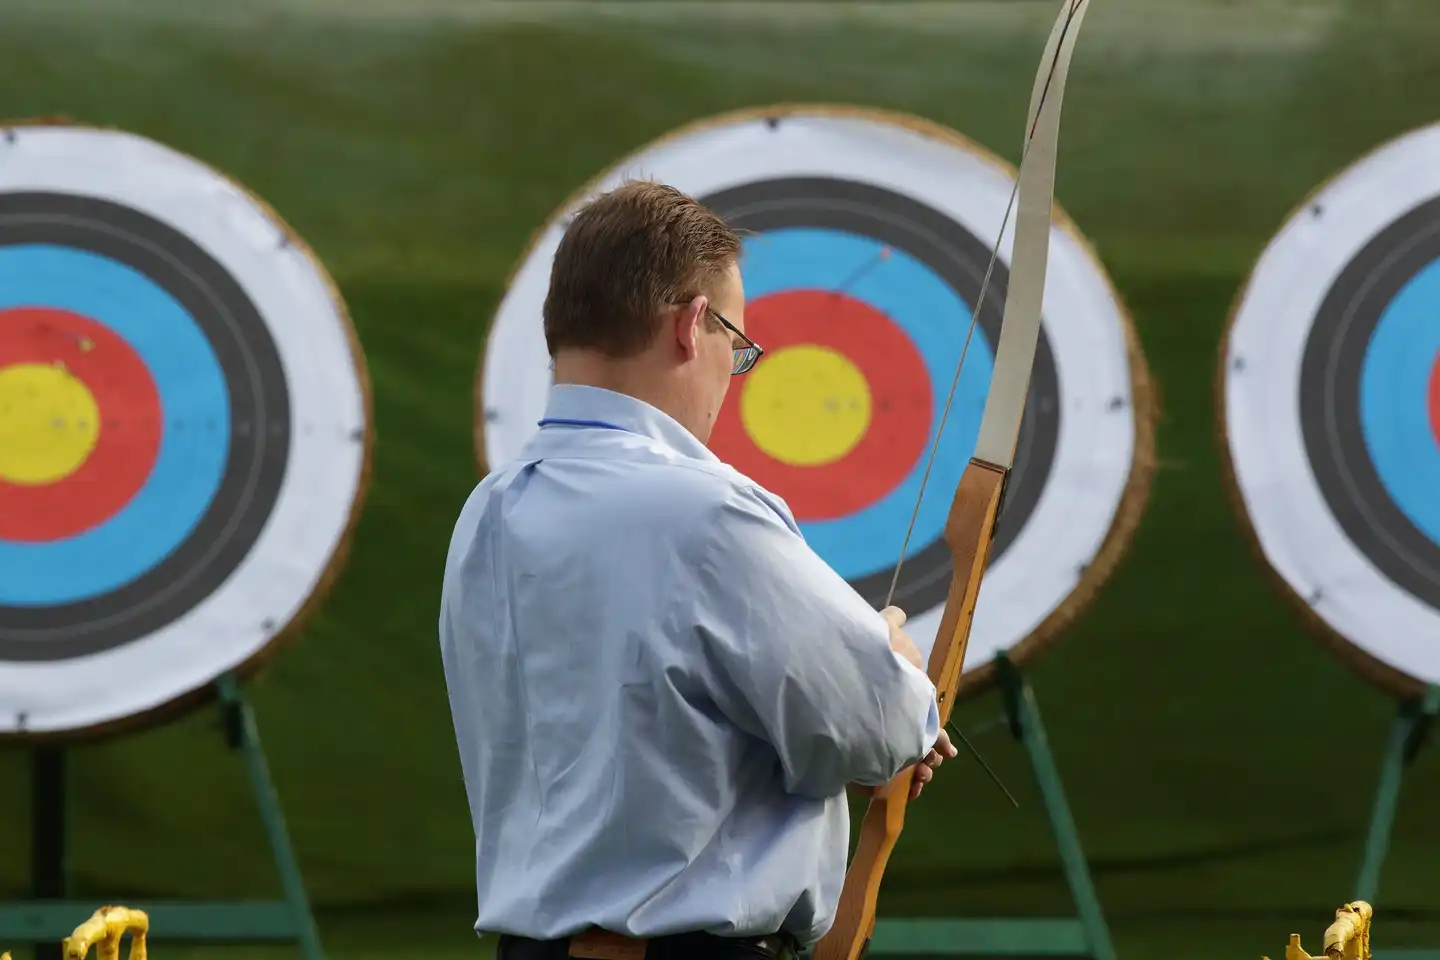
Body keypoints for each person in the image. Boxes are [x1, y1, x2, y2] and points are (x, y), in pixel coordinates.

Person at [439, 180, 956, 960]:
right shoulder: (707, 513)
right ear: (691, 326)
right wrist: (893, 660)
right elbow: (881, 724)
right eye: (737, 347)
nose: (731, 374)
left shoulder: (487, 513)